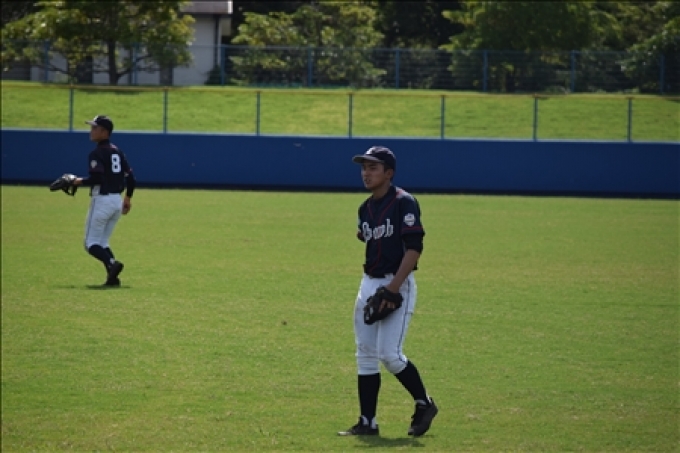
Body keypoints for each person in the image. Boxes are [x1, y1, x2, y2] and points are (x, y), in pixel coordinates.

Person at [338, 146, 438, 437]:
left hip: (397, 282)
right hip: (368, 282)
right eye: (364, 167)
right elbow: (366, 237)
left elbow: (414, 248)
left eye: (373, 168)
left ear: (389, 173)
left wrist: (393, 289)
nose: (366, 173)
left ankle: (424, 403)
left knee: (390, 355)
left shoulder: (404, 202)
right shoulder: (365, 209)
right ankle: (367, 422)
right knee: (365, 353)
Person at [72, 115, 136, 286]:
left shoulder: (97, 153)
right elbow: (131, 178)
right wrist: (128, 198)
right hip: (117, 202)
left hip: (102, 201)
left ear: (104, 132)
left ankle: (112, 263)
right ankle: (113, 278)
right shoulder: (118, 152)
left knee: (90, 243)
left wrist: (78, 181)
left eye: (95, 128)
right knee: (102, 242)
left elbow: (97, 178)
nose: (91, 131)